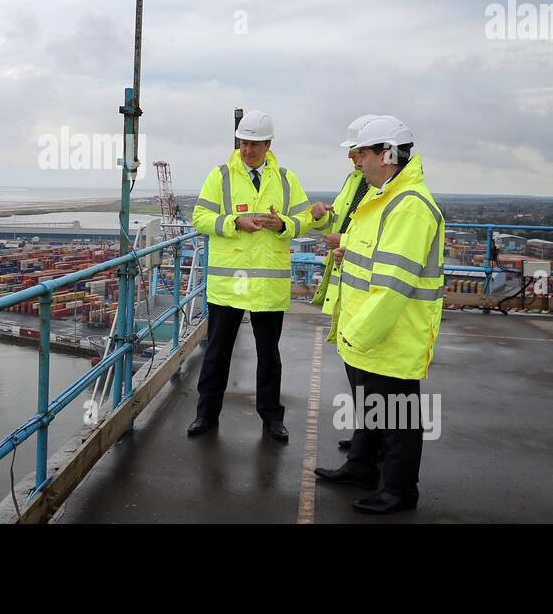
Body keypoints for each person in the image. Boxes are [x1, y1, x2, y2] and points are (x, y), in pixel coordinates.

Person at [312, 115, 445, 514]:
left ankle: (401, 490)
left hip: (390, 332)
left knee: (398, 414)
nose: (356, 160)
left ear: (386, 154)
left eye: (362, 153)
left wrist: (359, 333)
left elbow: (393, 285)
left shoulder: (410, 207)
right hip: (366, 330)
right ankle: (361, 467)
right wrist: (348, 248)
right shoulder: (383, 197)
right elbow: (372, 247)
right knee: (369, 405)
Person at [188, 109, 313, 442]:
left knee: (268, 355)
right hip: (229, 284)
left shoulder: (287, 179)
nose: (248, 150)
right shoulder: (220, 176)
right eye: (244, 143)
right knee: (217, 353)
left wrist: (284, 224)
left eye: (255, 144)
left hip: (267, 284)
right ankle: (206, 415)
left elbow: (305, 220)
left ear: (269, 144)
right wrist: (233, 223)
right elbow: (199, 217)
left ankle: (272, 417)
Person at [306, 115, 379, 453]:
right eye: (351, 153)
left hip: (368, 286)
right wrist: (322, 217)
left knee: (373, 374)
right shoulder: (354, 181)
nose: (352, 158)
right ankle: (366, 440)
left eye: (356, 152)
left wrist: (344, 239)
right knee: (356, 371)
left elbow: (375, 238)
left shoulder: (384, 190)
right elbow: (339, 224)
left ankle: (372, 447)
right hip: (347, 283)